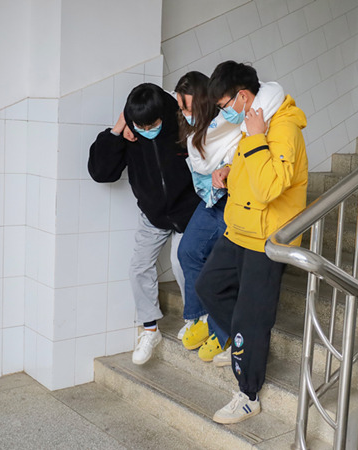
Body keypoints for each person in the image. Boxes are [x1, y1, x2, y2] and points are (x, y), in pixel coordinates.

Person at [195, 61, 308, 424]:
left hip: (268, 237)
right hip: (241, 229)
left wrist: (257, 138)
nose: (224, 112)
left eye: (225, 104)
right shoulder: (253, 122)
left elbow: (270, 187)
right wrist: (229, 172)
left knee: (251, 316)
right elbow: (254, 175)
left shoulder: (281, 126)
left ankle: (248, 395)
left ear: (243, 95)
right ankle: (247, 343)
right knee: (209, 286)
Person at [88, 83, 199, 365]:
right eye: (141, 126)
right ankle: (150, 330)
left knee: (180, 261)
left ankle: (195, 319)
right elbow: (102, 173)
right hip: (153, 216)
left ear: (164, 114)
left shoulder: (181, 121)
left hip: (188, 211)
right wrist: (118, 129)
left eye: (153, 125)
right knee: (138, 268)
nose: (147, 130)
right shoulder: (131, 130)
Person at [173, 71, 241, 361]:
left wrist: (228, 168)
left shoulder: (230, 124)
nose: (184, 113)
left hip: (232, 198)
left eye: (187, 107)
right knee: (187, 251)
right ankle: (201, 317)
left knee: (219, 266)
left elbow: (240, 152)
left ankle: (222, 331)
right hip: (212, 198)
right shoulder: (195, 132)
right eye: (181, 108)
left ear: (203, 103)